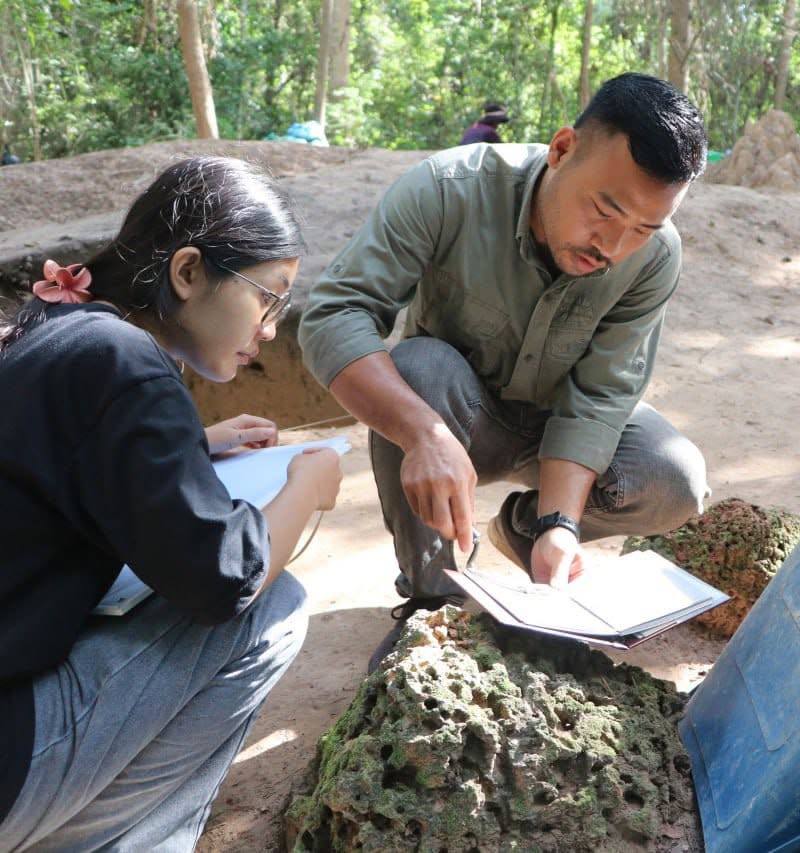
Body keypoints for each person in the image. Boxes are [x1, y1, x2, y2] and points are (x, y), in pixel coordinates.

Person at [0, 156, 343, 851]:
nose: (271, 328)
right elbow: (227, 579)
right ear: (188, 273)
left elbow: (64, 464)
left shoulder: (64, 330)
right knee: (271, 608)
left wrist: (195, 444)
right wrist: (306, 487)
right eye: (267, 297)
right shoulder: (126, 364)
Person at [300, 72, 710, 634]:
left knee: (673, 478)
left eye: (643, 227)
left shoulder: (655, 258)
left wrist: (561, 523)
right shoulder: (446, 190)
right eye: (604, 210)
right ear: (562, 150)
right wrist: (423, 433)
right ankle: (433, 603)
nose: (612, 247)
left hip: (551, 430)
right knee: (419, 369)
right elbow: (333, 314)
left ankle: (530, 529)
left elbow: (600, 396)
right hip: (453, 417)